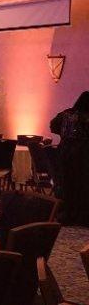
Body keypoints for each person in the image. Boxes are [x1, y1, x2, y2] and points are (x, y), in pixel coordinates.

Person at [50, 91, 89, 226]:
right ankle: (82, 216)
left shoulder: (66, 114)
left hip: (65, 152)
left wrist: (64, 135)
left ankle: (66, 214)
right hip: (83, 154)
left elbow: (53, 126)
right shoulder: (86, 117)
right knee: (82, 185)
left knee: (66, 183)